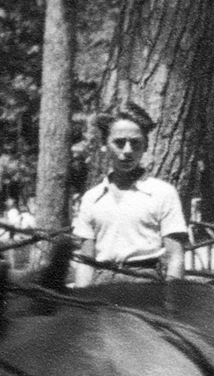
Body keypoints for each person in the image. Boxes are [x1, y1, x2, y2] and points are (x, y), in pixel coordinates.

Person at [72, 104, 190, 286]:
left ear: (145, 146)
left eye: (135, 143)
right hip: (101, 287)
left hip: (146, 285)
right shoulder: (91, 198)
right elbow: (86, 261)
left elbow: (175, 255)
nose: (127, 151)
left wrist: (171, 298)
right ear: (105, 145)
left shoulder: (162, 193)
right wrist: (80, 299)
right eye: (119, 143)